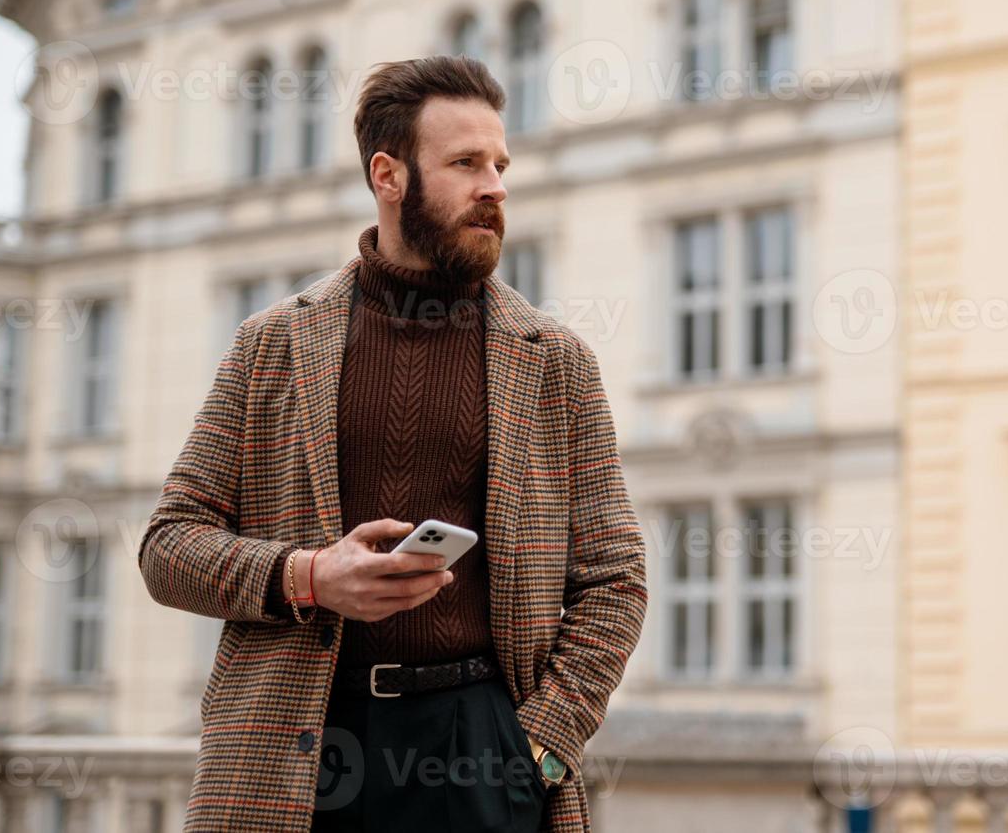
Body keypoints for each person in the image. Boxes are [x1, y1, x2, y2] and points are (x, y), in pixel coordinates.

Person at [138, 55, 648, 833]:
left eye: (501, 165)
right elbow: (168, 547)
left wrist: (537, 749)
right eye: (466, 164)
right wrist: (308, 575)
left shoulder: (556, 360)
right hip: (290, 745)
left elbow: (616, 579)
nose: (497, 188)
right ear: (389, 175)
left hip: (479, 749)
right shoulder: (271, 344)